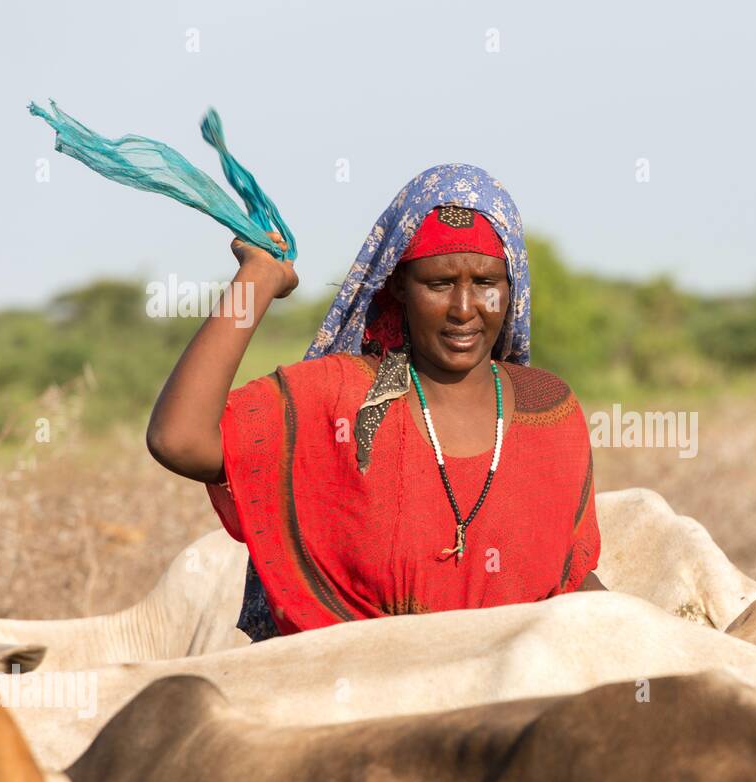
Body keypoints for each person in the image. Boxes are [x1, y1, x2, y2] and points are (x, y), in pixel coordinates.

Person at [146, 164, 603, 640]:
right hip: (366, 702)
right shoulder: (341, 400)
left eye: (486, 282)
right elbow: (178, 438)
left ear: (513, 286)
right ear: (398, 286)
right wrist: (257, 279)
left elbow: (569, 584)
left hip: (515, 705)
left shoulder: (549, 413)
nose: (465, 309)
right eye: (439, 284)